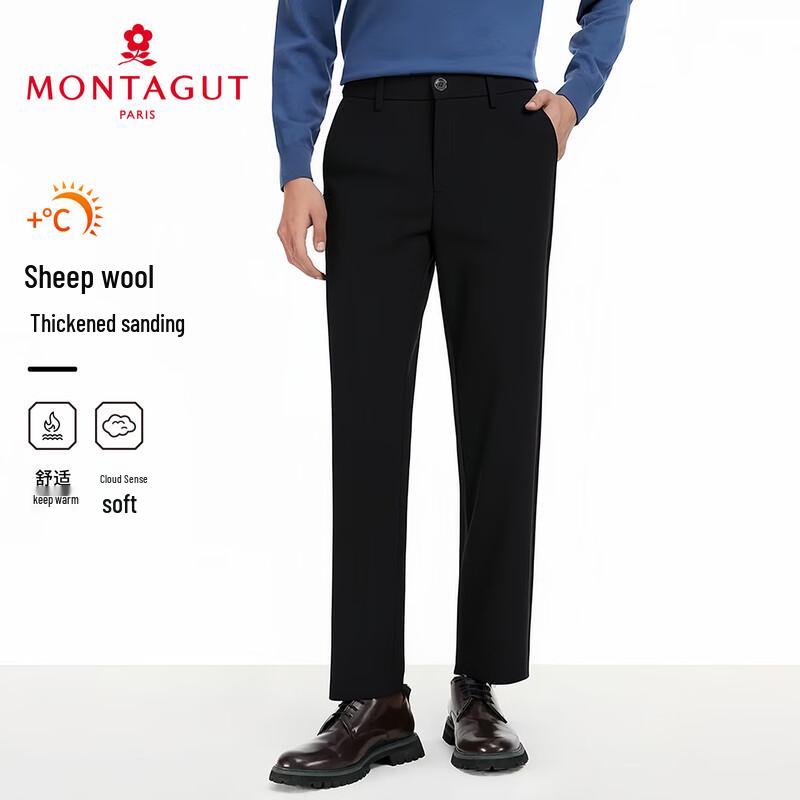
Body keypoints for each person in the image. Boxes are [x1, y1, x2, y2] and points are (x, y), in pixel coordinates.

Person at [269, 0, 631, 788]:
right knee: (366, 421)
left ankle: (481, 684)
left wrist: (574, 97)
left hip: (503, 131)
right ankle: (373, 698)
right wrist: (296, 164)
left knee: (503, 414)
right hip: (373, 132)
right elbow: (303, 20)